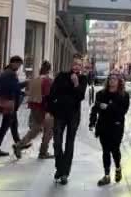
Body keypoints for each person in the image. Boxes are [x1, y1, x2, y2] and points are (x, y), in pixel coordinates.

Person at [47, 54, 88, 185]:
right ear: (71, 64)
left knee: (69, 144)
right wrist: (50, 111)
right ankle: (60, 168)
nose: (76, 66)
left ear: (81, 67)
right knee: (57, 143)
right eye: (75, 64)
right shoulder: (61, 76)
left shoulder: (83, 79)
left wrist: (76, 83)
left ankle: (64, 173)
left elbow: (80, 96)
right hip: (59, 114)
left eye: (79, 65)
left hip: (73, 116)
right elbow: (52, 94)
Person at [89, 73, 130, 186]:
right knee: (105, 150)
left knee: (115, 149)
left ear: (119, 82)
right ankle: (106, 175)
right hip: (103, 126)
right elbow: (95, 109)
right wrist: (91, 123)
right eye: (110, 79)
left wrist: (108, 107)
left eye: (114, 79)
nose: (112, 81)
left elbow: (123, 111)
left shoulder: (124, 95)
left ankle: (117, 168)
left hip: (117, 126)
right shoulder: (101, 94)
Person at [13, 61, 54, 159]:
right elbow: (47, 96)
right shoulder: (48, 81)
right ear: (49, 70)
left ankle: (19, 145)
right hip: (44, 110)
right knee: (48, 131)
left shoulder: (34, 79)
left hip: (34, 109)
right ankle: (43, 152)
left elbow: (28, 93)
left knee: (34, 130)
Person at [0, 56, 25, 157]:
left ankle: (18, 146)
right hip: (9, 104)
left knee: (14, 126)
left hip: (8, 104)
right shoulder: (10, 73)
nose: (19, 67)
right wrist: (26, 84)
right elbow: (15, 87)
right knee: (5, 127)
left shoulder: (5, 72)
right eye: (18, 65)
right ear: (13, 63)